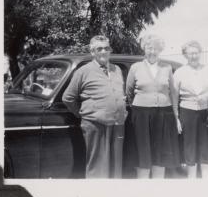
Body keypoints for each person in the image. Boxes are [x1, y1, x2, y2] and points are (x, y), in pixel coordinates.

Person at [62, 35, 127, 178]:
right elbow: (68, 97)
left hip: (118, 124)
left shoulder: (117, 70)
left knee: (116, 168)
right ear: (92, 52)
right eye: (99, 49)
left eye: (106, 48)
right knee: (97, 168)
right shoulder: (83, 71)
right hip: (95, 125)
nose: (104, 51)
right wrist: (83, 114)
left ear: (110, 50)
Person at [125, 34, 181, 179]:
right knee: (142, 151)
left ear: (160, 50)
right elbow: (129, 91)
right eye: (149, 48)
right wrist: (141, 104)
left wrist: (175, 114)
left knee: (160, 152)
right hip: (141, 114)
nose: (152, 51)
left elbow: (173, 92)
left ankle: (157, 187)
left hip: (164, 113)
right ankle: (143, 187)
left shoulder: (167, 68)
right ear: (144, 49)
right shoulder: (135, 67)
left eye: (156, 48)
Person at [173, 40, 208, 178]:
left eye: (196, 53)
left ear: (200, 53)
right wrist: (176, 118)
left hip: (206, 113)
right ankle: (192, 180)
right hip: (186, 114)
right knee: (190, 147)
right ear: (185, 55)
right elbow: (174, 98)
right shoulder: (179, 72)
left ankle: (206, 180)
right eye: (190, 53)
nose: (194, 56)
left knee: (206, 147)